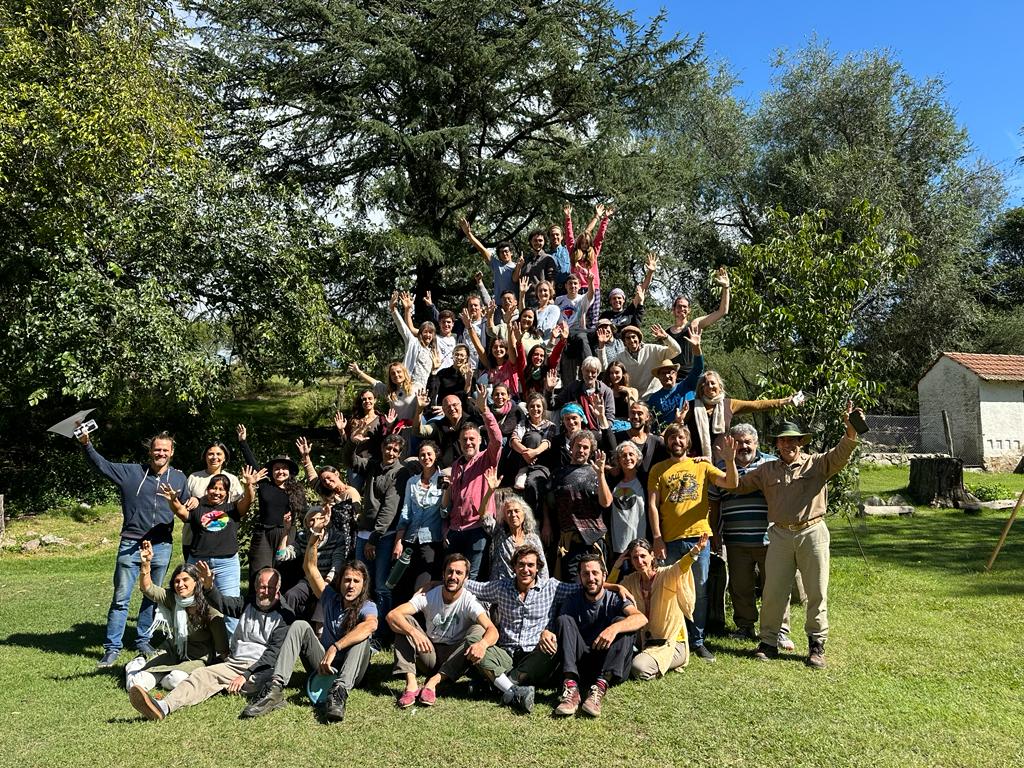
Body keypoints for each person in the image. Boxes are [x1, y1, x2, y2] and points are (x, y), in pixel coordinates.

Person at [738, 403, 862, 669]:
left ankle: (816, 645)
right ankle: (768, 642)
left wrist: (850, 430)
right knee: (773, 591)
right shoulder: (767, 470)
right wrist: (716, 464)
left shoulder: (817, 463)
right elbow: (738, 484)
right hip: (780, 534)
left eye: (792, 440)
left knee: (816, 591)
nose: (787, 445)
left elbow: (842, 453)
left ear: (800, 442)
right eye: (782, 441)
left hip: (812, 532)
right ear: (777, 444)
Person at [79, 428, 189, 666]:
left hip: (161, 545)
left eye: (165, 450)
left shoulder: (179, 478)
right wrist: (87, 444)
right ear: (150, 451)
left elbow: (188, 504)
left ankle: (143, 640)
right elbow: (102, 465)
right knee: (121, 598)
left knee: (151, 596)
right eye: (157, 449)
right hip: (131, 544)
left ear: (172, 452)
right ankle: (112, 648)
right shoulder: (131, 473)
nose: (161, 453)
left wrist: (194, 501)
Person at [127, 564, 293, 721]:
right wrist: (209, 586)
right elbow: (221, 603)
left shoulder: (285, 615)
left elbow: (272, 654)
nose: (265, 592)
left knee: (256, 684)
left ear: (278, 588)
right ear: (256, 587)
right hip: (234, 664)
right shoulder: (247, 603)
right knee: (201, 675)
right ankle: (163, 707)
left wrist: (245, 675)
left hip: (261, 667)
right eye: (262, 587)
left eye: (270, 587)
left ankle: (237, 687)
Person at [242, 548, 377, 722]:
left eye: (356, 581)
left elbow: (371, 624)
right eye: (347, 580)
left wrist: (335, 647)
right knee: (299, 625)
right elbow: (310, 568)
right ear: (340, 582)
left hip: (352, 672)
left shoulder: (368, 605)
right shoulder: (330, 598)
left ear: (363, 584)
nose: (351, 585)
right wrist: (313, 540)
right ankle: (275, 688)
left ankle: (339, 693)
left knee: (362, 636)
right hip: (324, 667)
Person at [647, 424, 737, 662]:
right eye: (672, 437)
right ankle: (673, 636)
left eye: (681, 437)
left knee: (699, 591)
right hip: (669, 540)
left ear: (688, 442)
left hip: (699, 538)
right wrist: (657, 537)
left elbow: (731, 483)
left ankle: (697, 641)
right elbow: (653, 505)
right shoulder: (658, 469)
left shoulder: (701, 466)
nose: (676, 441)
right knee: (669, 589)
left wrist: (729, 461)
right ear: (667, 442)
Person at [708, 423, 795, 650]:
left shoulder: (771, 464)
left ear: (756, 443)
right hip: (735, 539)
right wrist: (715, 532)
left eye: (748, 442)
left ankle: (780, 630)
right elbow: (714, 503)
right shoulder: (720, 468)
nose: (743, 446)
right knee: (740, 587)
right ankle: (745, 626)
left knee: (775, 586)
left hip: (770, 538)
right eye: (738, 442)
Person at [158, 465, 262, 636]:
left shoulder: (232, 509)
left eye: (221, 489)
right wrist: (172, 500)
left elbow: (248, 501)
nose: (217, 492)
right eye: (214, 488)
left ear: (227, 493)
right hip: (198, 562)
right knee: (193, 602)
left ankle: (232, 645)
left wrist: (249, 485)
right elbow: (181, 512)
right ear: (207, 490)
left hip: (226, 564)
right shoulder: (198, 508)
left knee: (230, 604)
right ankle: (196, 640)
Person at [387, 553, 499, 708]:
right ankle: (411, 684)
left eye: (459, 573)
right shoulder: (429, 595)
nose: (453, 576)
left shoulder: (469, 601)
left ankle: (433, 683)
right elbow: (392, 615)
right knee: (403, 622)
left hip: (456, 657)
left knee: (479, 629)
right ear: (443, 574)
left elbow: (492, 630)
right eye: (450, 572)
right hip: (429, 652)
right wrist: (414, 632)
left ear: (466, 578)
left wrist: (483, 645)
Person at [125, 542, 228, 693]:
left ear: (196, 582)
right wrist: (146, 564)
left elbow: (223, 650)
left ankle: (162, 675)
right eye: (177, 581)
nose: (180, 584)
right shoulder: (172, 598)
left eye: (185, 580)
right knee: (136, 685)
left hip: (197, 659)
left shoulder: (209, 608)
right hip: (172, 651)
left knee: (175, 680)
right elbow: (147, 588)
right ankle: (134, 666)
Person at [552, 554, 647, 718]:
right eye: (585, 574)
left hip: (610, 663)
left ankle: (600, 688)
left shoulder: (616, 598)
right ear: (580, 577)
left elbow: (641, 618)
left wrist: (614, 628)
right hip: (582, 663)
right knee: (563, 620)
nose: (591, 578)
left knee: (623, 622)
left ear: (604, 575)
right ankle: (571, 687)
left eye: (595, 573)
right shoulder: (572, 600)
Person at [610, 534, 708, 679]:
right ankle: (644, 659)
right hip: (646, 644)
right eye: (634, 558)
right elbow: (608, 592)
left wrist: (695, 551)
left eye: (643, 556)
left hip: (671, 645)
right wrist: (616, 567)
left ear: (652, 555)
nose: (639, 561)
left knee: (638, 667)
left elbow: (682, 566)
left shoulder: (667, 574)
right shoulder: (631, 581)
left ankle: (653, 664)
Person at [237, 424, 315, 581]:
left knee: (286, 571)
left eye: (284, 468)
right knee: (260, 571)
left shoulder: (297, 490)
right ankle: (257, 596)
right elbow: (252, 463)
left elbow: (304, 513)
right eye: (277, 468)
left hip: (288, 533)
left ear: (289, 472)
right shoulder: (265, 485)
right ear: (271, 472)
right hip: (264, 533)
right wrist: (243, 442)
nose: (280, 471)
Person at [444, 386, 503, 579]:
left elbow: (497, 439)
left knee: (472, 578)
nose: (468, 442)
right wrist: (446, 529)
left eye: (472, 439)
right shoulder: (456, 465)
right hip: (455, 530)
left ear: (479, 441)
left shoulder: (488, 458)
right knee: (453, 578)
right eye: (464, 439)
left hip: (477, 529)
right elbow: (452, 501)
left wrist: (484, 410)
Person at [691, 369, 801, 462]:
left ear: (720, 386)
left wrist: (785, 401)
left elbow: (757, 405)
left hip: (721, 460)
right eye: (706, 384)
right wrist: (681, 419)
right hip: (696, 459)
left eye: (713, 383)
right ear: (701, 388)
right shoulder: (692, 406)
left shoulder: (729, 404)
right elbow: (681, 429)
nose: (710, 386)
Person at [547, 431, 612, 580]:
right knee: (573, 584)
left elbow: (606, 502)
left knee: (596, 584)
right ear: (571, 447)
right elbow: (548, 501)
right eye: (578, 446)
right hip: (571, 542)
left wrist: (601, 474)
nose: (581, 450)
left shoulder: (596, 472)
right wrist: (546, 523)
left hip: (595, 540)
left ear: (591, 451)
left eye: (585, 447)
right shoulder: (558, 474)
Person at [391, 441, 446, 594]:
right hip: (410, 539)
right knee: (402, 587)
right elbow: (406, 512)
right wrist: (398, 541)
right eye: (422, 454)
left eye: (429, 454)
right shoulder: (412, 482)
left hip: (431, 541)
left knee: (421, 588)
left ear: (436, 455)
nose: (426, 457)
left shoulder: (443, 479)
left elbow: (445, 512)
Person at [479, 471, 547, 581]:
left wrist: (542, 588)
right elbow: (483, 514)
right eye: (509, 512)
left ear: (524, 514)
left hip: (525, 586)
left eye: (516, 511)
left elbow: (542, 568)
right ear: (505, 517)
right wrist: (490, 491)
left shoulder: (533, 539)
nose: (513, 515)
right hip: (500, 586)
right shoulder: (499, 532)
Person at [183, 440, 244, 560]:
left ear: (225, 457)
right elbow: (183, 505)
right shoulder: (194, 478)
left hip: (221, 539)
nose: (214, 457)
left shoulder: (232, 479)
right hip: (193, 538)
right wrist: (193, 499)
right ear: (205, 457)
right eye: (210, 454)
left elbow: (239, 507)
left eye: (219, 454)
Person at [667, 266, 730, 377]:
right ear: (673, 309)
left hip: (691, 378)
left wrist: (726, 287)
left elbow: (722, 311)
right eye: (679, 306)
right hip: (672, 378)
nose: (682, 309)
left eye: (685, 307)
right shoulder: (666, 333)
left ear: (689, 310)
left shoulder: (694, 326)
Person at [643, 329, 705, 432]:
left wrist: (697, 349)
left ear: (676, 374)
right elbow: (652, 425)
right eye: (663, 373)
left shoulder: (687, 385)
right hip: (669, 435)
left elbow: (698, 369)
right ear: (658, 377)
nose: (667, 375)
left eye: (670, 372)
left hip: (692, 431)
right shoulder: (653, 399)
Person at [597, 323, 682, 397]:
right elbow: (604, 368)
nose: (631, 340)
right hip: (635, 398)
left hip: (655, 396)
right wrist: (601, 345)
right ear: (624, 342)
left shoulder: (653, 349)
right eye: (628, 338)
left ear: (639, 338)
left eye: (633, 337)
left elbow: (677, 351)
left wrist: (666, 338)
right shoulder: (621, 357)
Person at [392, 291, 437, 390]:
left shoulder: (432, 351)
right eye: (425, 332)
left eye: (430, 332)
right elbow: (403, 328)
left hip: (422, 391)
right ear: (420, 333)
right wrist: (394, 310)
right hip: (407, 387)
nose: (428, 335)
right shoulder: (413, 343)